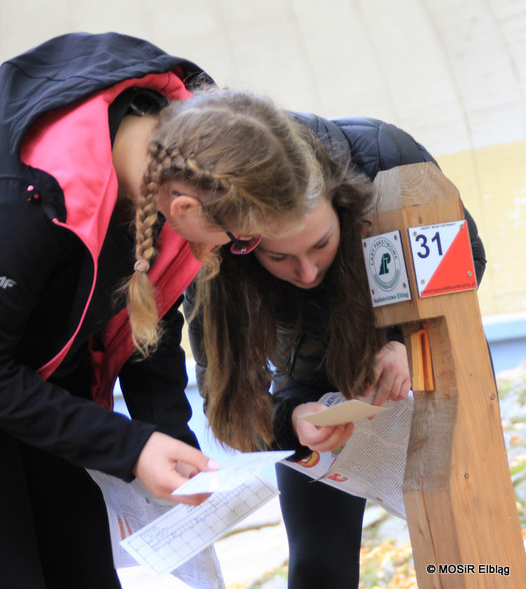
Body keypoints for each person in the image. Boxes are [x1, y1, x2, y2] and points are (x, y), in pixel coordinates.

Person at [0, 32, 320, 589]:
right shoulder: (24, 194)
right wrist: (130, 446)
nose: (227, 253)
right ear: (185, 207)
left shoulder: (171, 162)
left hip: (41, 366)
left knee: (86, 570)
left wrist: (169, 439)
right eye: (237, 240)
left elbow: (148, 314)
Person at [186, 113, 486, 588]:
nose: (306, 272)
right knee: (318, 563)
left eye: (321, 244)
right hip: (310, 380)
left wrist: (410, 342)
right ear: (244, 245)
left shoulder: (384, 157)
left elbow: (466, 254)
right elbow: (225, 396)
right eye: (279, 257)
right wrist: (292, 421)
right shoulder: (212, 247)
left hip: (425, 352)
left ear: (343, 205)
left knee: (468, 540)